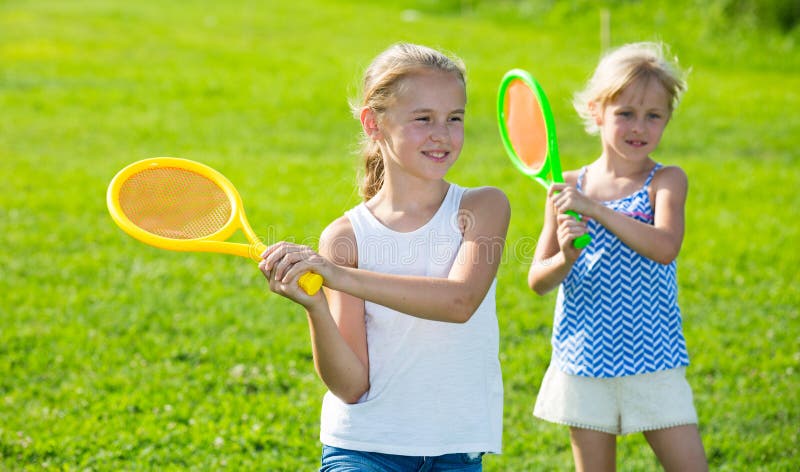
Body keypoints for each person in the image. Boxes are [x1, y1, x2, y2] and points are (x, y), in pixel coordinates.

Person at [258, 42, 509, 471]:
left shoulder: (482, 208)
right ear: (373, 123)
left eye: (454, 118)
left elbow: (459, 301)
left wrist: (338, 276)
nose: (442, 135)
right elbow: (352, 386)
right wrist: (316, 307)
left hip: (455, 452)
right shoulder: (345, 237)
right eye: (423, 119)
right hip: (364, 449)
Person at [528, 42, 708, 472]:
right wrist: (566, 258)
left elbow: (664, 247)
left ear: (667, 119)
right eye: (625, 113)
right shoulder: (566, 184)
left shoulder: (665, 181)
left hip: (653, 357)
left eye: (654, 116)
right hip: (585, 357)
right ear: (597, 111)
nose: (639, 127)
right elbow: (538, 279)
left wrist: (596, 210)